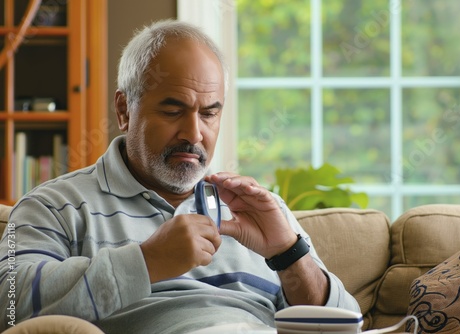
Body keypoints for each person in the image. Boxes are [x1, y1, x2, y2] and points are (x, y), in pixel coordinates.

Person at [0, 19, 359, 333]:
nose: (194, 133)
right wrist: (145, 263)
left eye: (209, 114)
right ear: (124, 110)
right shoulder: (52, 205)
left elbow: (346, 325)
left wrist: (288, 254)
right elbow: (8, 306)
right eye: (174, 110)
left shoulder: (260, 210)